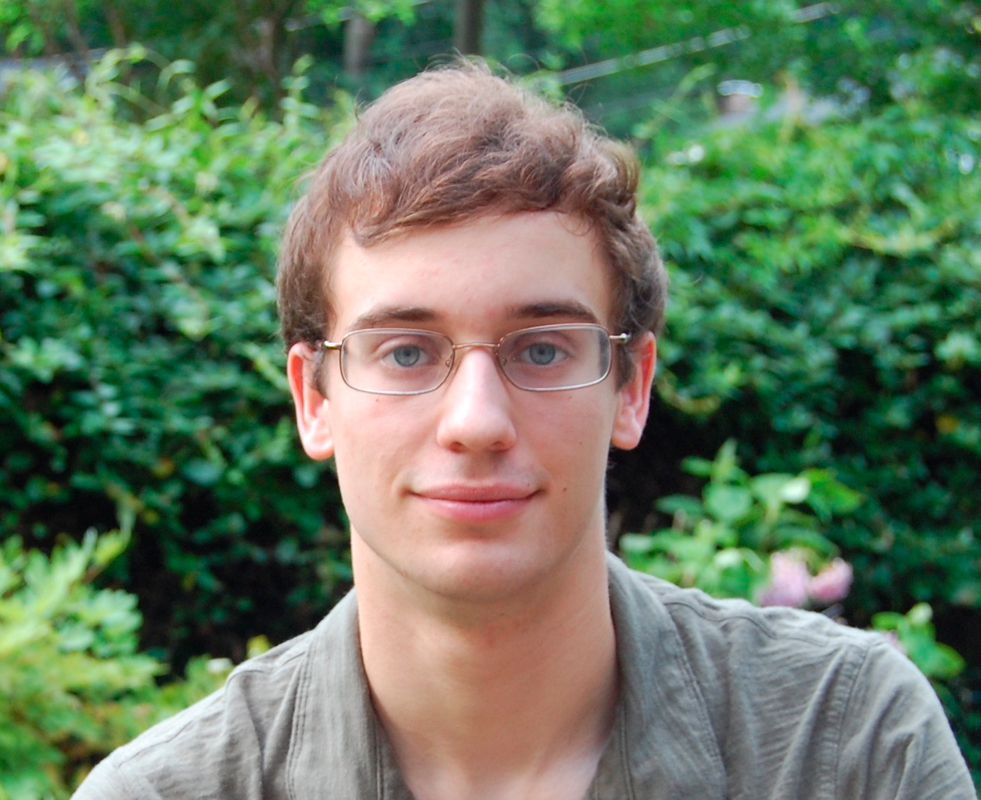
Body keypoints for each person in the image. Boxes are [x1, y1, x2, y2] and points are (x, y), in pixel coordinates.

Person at [74, 61, 975, 800]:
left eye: (542, 350)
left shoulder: (846, 744)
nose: (476, 421)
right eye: (404, 352)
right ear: (314, 399)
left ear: (631, 388)